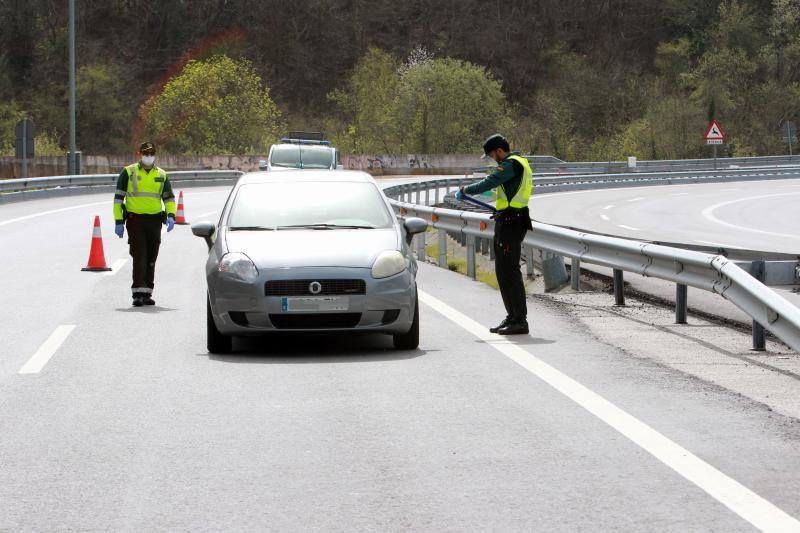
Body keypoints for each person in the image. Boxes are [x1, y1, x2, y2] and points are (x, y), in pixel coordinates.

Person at [456, 134, 533, 335]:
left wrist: (467, 189)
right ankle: (512, 316)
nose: (492, 159)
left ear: (499, 150)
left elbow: (491, 181)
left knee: (510, 272)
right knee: (502, 271)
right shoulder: (515, 164)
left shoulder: (511, 165)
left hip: (511, 222)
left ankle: (520, 320)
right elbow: (498, 191)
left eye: (491, 155)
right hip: (507, 220)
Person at [113, 141, 176, 307]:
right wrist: (118, 221)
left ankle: (147, 292)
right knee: (139, 255)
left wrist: (171, 215)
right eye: (146, 153)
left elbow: (169, 198)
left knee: (151, 257)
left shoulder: (162, 175)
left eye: (151, 153)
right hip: (135, 220)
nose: (149, 156)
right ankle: (138, 293)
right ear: (139, 154)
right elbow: (118, 199)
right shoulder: (128, 172)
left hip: (155, 221)